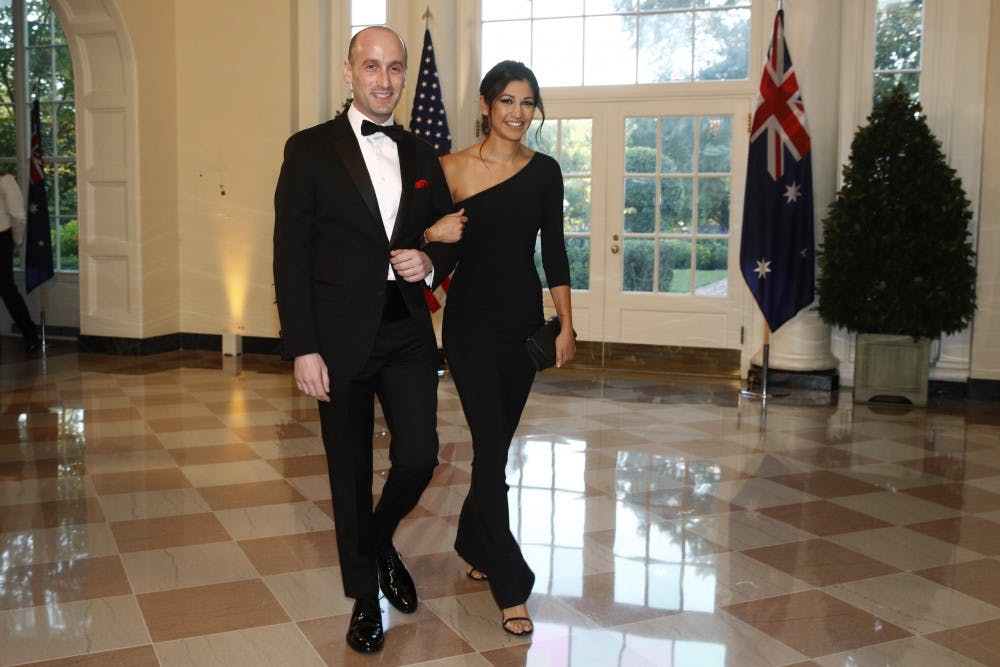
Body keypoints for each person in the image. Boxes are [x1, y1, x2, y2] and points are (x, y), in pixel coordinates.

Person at [272, 25, 464, 654]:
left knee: (418, 457)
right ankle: (364, 598)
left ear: (406, 76)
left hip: (406, 327)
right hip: (335, 337)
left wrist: (430, 264)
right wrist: (302, 345)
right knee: (349, 472)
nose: (385, 80)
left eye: (395, 68)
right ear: (349, 72)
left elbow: (446, 237)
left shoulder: (420, 153)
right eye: (372, 66)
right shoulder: (308, 149)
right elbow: (288, 256)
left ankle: (376, 541)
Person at [437, 60, 576, 637]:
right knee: (491, 451)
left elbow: (557, 251)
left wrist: (566, 324)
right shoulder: (450, 169)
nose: (518, 113)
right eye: (508, 102)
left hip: (522, 324)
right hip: (468, 323)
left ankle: (473, 538)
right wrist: (428, 235)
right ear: (486, 105)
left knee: (497, 445)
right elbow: (422, 244)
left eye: (527, 103)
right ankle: (510, 583)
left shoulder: (546, 172)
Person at [0, 171, 40, 354]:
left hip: (1, 238)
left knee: (6, 289)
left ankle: (30, 334)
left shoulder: (5, 180)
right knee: (7, 289)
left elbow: (18, 216)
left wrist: (14, 240)